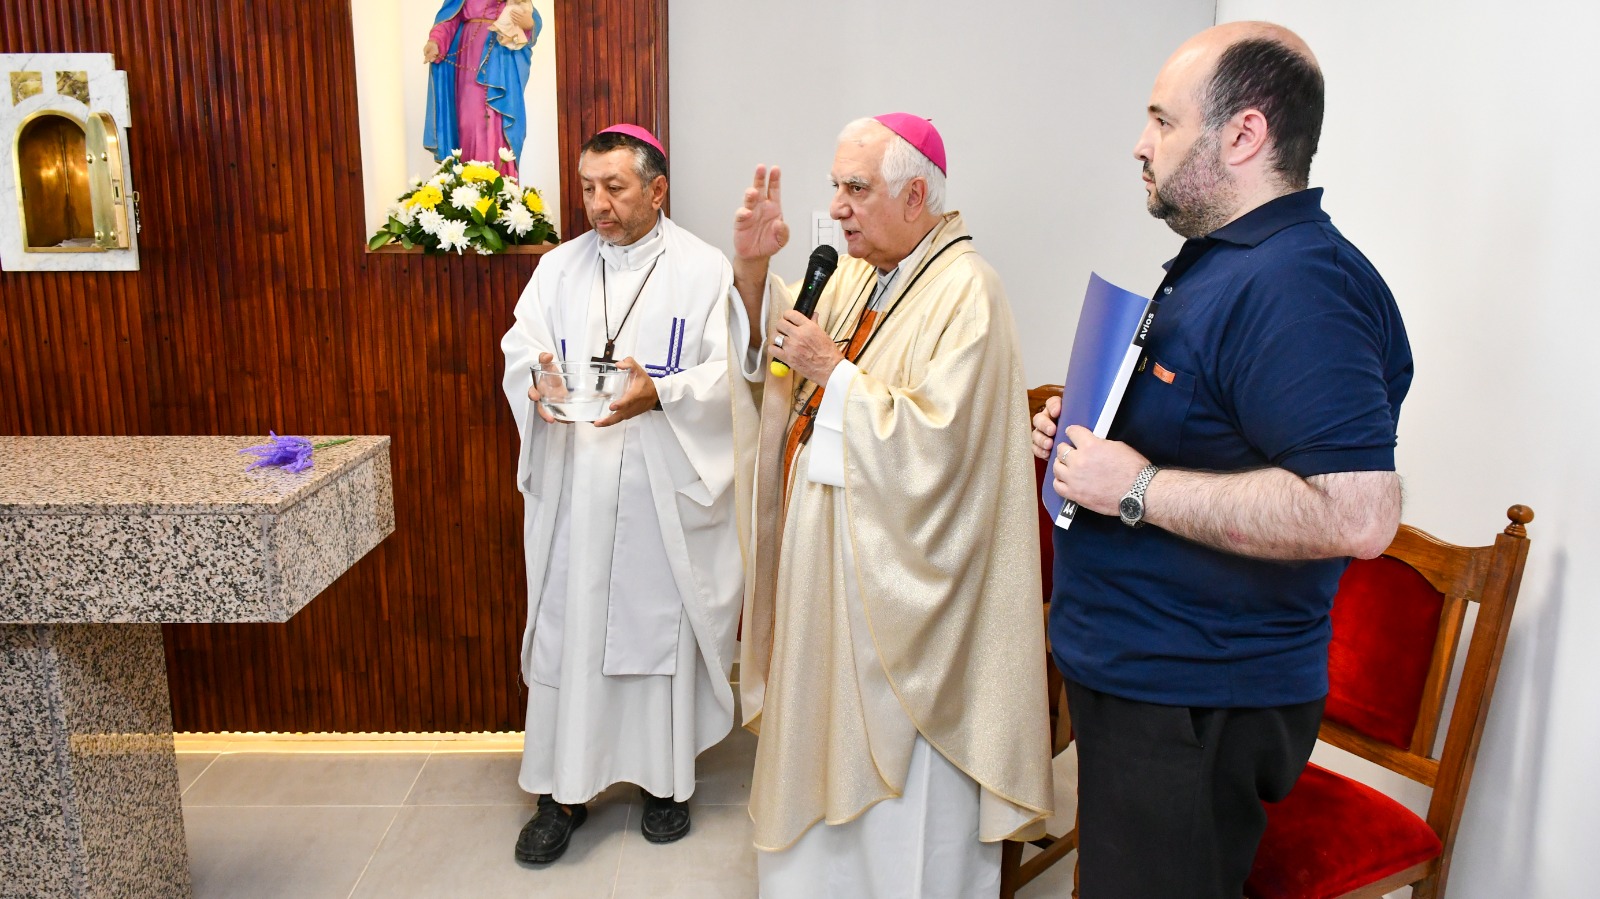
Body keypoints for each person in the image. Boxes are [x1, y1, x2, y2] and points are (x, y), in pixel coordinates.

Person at [1032, 22, 1414, 898]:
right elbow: (1205, 432)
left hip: (1197, 698)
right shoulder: (1224, 260)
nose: (1141, 144)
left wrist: (1134, 486)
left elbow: (1358, 513)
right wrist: (1088, 436)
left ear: (1244, 135)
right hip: (1149, 677)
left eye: (1163, 121)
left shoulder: (1301, 285)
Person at [729, 114, 1053, 898]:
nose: (837, 206)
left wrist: (833, 373)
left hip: (902, 595)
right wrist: (753, 271)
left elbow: (943, 447)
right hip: (827, 573)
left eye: (856, 188)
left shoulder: (968, 291)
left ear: (915, 197)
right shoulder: (855, 273)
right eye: (835, 186)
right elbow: (778, 356)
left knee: (904, 814)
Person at [500, 124, 754, 865]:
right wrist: (538, 379)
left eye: (614, 187)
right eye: (587, 188)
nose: (597, 204)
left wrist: (663, 392)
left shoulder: (703, 269)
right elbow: (522, 347)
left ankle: (664, 783)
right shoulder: (558, 267)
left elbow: (727, 378)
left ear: (657, 189)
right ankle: (561, 790)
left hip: (658, 491)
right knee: (571, 631)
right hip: (576, 487)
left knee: (653, 633)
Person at [423, 0, 541, 178]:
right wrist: (435, 41)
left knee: (497, 123)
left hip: (501, 61)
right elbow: (449, 19)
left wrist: (529, 24)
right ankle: (469, 185)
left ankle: (500, 185)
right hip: (469, 61)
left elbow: (530, 14)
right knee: (468, 122)